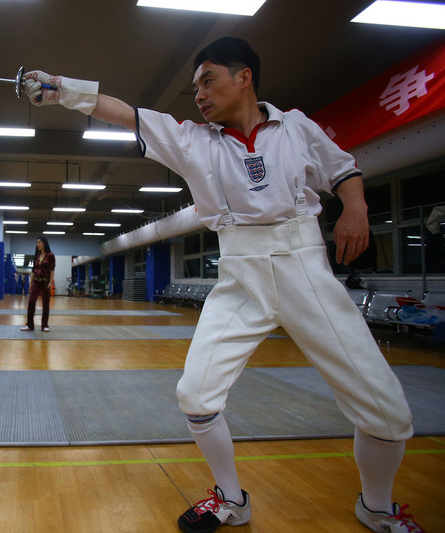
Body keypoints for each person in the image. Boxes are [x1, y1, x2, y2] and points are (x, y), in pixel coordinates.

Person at [22, 36, 422, 533]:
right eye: (194, 87)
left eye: (207, 81)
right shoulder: (192, 140)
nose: (199, 94)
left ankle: (378, 508)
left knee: (385, 408)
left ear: (244, 77)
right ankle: (232, 499)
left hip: (305, 271)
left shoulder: (295, 126)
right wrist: (62, 90)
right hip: (238, 275)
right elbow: (128, 114)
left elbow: (342, 169)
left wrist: (355, 207)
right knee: (196, 394)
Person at [21, 236, 56, 332]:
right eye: (37, 243)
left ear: (44, 243)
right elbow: (33, 270)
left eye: (39, 242)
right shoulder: (36, 256)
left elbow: (52, 270)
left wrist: (50, 282)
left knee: (45, 304)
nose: (37, 245)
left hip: (45, 282)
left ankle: (44, 325)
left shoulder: (50, 255)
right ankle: (30, 324)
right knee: (31, 302)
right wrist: (30, 283)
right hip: (36, 281)